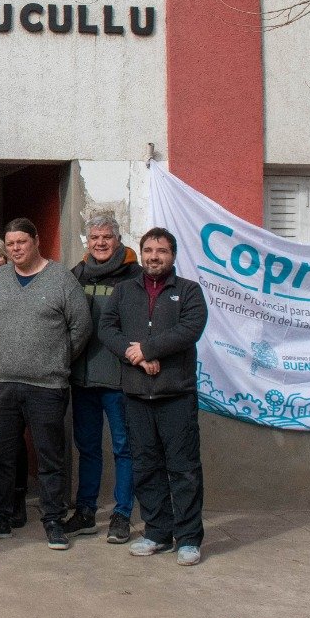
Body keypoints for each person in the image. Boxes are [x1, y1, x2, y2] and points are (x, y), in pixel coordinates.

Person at [0, 218, 93, 551]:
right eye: (10, 244)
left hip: (47, 385)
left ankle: (53, 519)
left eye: (21, 242)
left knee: (50, 456)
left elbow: (80, 328)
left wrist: (55, 359)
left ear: (36, 241)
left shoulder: (61, 279)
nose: (15, 249)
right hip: (3, 382)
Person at [100, 227, 208, 567]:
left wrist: (148, 347)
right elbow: (107, 328)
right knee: (146, 466)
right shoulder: (123, 291)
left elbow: (190, 328)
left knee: (183, 468)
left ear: (172, 255)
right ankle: (158, 532)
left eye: (161, 250)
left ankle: (188, 538)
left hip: (176, 393)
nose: (153, 256)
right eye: (148, 250)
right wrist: (137, 357)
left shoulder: (188, 292)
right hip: (135, 393)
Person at [67, 214, 141, 543]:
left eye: (106, 237)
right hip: (83, 378)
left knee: (125, 448)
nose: (100, 243)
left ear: (117, 239)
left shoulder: (135, 275)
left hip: (121, 379)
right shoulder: (76, 275)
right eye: (94, 237)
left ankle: (122, 514)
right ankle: (85, 512)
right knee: (88, 448)